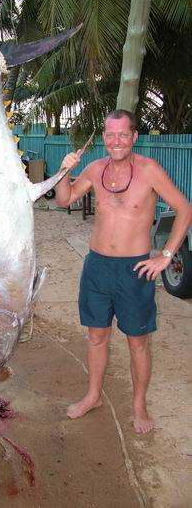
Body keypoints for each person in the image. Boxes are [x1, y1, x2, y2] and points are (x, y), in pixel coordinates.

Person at [55, 109, 192, 434]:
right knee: (96, 337)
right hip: (97, 267)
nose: (115, 140)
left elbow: (185, 209)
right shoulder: (94, 168)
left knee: (137, 343)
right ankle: (93, 396)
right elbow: (65, 200)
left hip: (135, 270)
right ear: (104, 137)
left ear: (133, 137)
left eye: (122, 134)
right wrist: (63, 172)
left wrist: (166, 255)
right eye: (110, 134)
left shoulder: (149, 171)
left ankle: (138, 406)